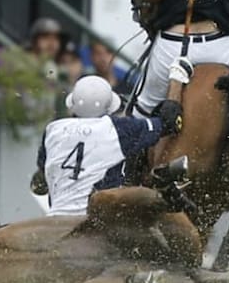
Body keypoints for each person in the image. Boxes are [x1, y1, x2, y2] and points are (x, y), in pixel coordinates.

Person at [33, 75, 183, 216]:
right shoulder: (118, 128)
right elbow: (169, 123)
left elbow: (42, 177)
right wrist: (176, 80)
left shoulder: (52, 130)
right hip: (102, 218)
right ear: (109, 107)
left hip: (55, 217)